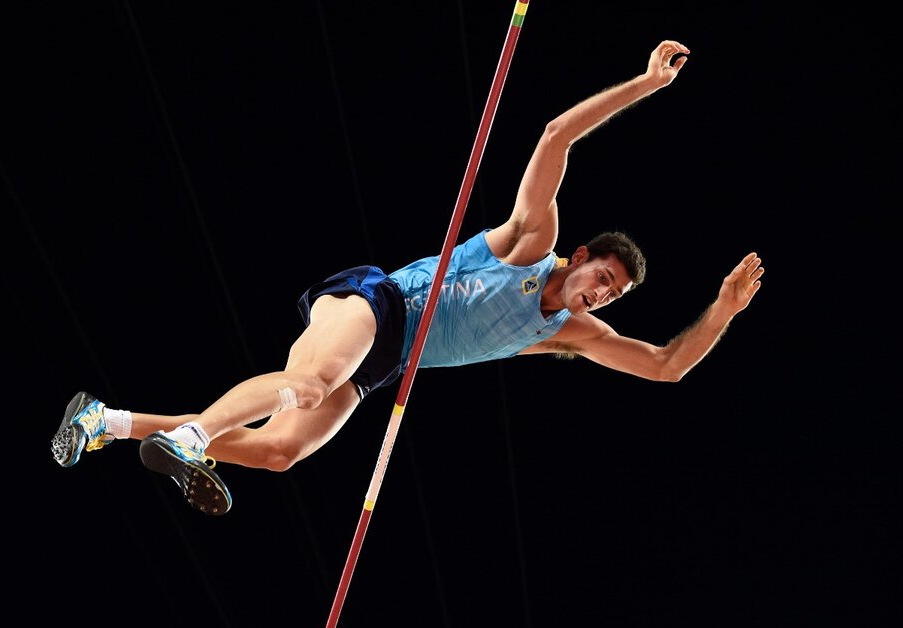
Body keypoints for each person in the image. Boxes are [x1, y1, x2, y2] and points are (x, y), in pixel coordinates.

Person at [51, 40, 763, 516]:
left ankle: (106, 422)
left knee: (278, 452)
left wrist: (724, 310)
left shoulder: (568, 334)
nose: (601, 295)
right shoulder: (530, 243)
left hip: (386, 363)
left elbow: (667, 366)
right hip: (375, 303)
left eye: (612, 295)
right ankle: (194, 436)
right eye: (601, 277)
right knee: (309, 382)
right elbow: (555, 137)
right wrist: (645, 83)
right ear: (580, 257)